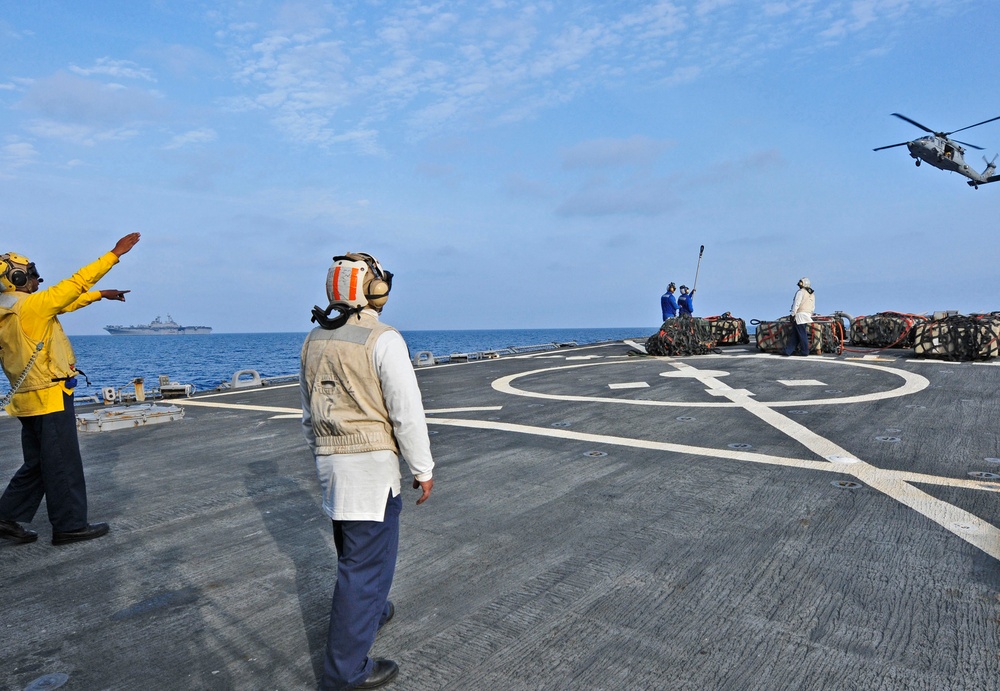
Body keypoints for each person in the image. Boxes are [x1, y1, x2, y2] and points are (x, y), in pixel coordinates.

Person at [301, 252, 435, 690]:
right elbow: (406, 411)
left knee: (352, 552)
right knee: (363, 565)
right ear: (371, 289)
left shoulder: (313, 340)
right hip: (372, 468)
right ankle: (345, 673)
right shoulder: (383, 338)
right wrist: (422, 466)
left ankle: (372, 611)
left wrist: (323, 455)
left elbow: (309, 414)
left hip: (331, 463)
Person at [0, 233, 140, 546]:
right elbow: (74, 285)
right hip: (50, 396)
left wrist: (100, 294)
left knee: (37, 463)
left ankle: (5, 517)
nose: (37, 279)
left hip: (26, 399)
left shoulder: (10, 310)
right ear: (17, 277)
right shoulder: (33, 306)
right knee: (63, 462)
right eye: (31, 273)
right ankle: (70, 525)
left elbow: (63, 304)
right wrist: (115, 254)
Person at [783, 277, 815, 356]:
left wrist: (792, 314)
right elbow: (813, 306)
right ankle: (788, 350)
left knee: (802, 334)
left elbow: (796, 304)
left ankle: (805, 351)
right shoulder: (812, 294)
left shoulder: (801, 292)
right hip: (807, 315)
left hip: (800, 315)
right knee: (795, 333)